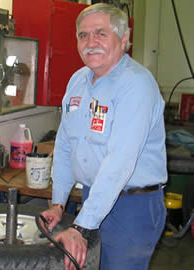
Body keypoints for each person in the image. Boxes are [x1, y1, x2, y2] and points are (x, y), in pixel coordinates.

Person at [40, 3, 167, 270]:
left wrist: (81, 225)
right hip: (93, 198)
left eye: (101, 33)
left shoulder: (137, 85)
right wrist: (58, 204)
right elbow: (64, 145)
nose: (90, 42)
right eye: (83, 35)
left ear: (124, 40)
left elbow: (119, 162)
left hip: (133, 206)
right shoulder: (77, 81)